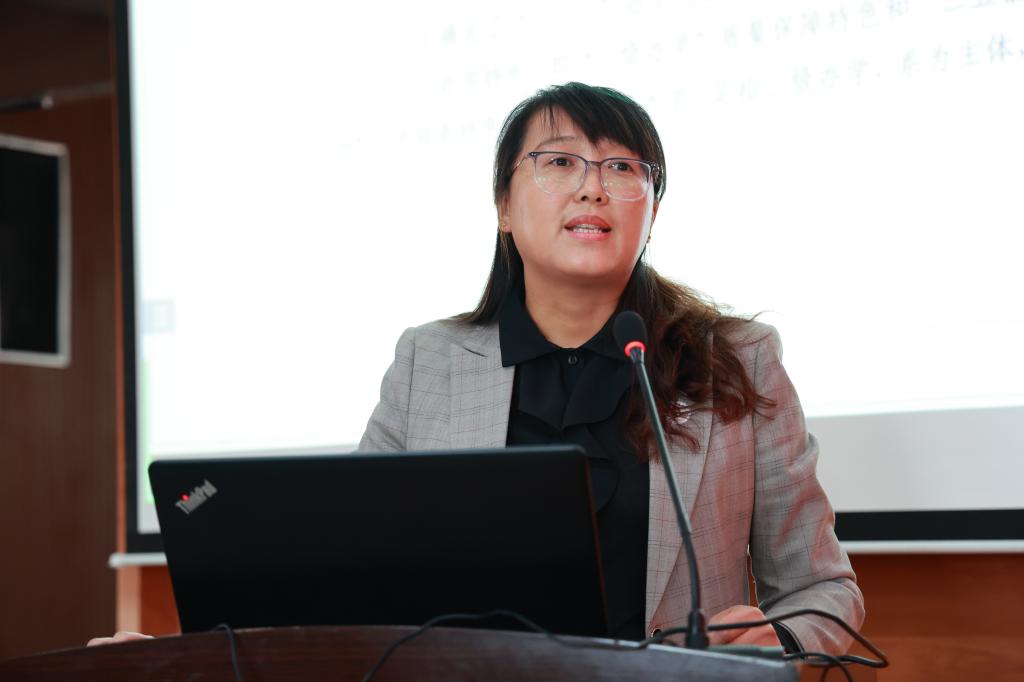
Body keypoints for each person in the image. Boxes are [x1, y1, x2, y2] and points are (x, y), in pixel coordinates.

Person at [358, 82, 864, 653]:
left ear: (652, 212)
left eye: (622, 168)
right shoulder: (428, 363)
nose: (593, 188)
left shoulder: (738, 359)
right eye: (559, 162)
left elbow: (821, 588)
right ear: (504, 206)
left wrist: (780, 637)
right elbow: (357, 565)